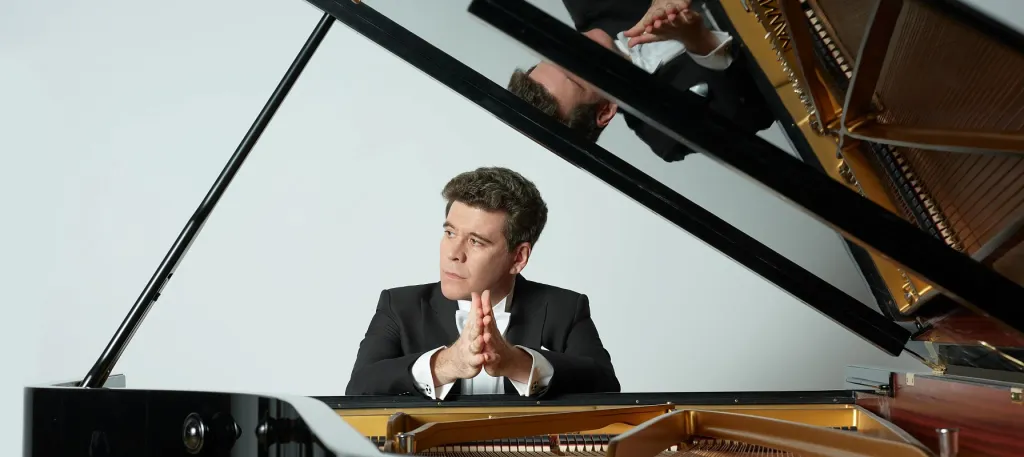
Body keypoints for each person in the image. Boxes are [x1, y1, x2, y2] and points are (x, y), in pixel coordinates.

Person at [345, 167, 619, 399]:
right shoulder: (398, 306)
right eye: (450, 233)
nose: (454, 253)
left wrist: (517, 363)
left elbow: (607, 387)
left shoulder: (565, 308)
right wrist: (447, 364)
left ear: (518, 257)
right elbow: (358, 389)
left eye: (476, 241)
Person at [507, 0, 775, 162]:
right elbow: (755, 111)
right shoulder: (665, 134)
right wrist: (700, 42)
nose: (573, 50)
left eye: (555, 55)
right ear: (605, 110)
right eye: (574, 74)